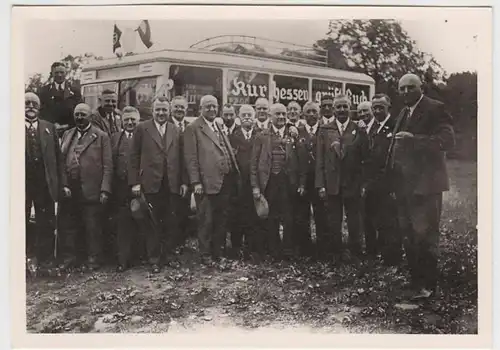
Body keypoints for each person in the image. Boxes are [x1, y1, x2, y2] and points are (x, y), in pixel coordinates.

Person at [389, 73, 455, 299]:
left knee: (425, 235)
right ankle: (416, 281)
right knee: (408, 235)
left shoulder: (435, 108)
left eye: (410, 87)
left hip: (426, 186)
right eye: (402, 88)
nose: (405, 91)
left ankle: (428, 285)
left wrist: (413, 140)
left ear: (421, 88)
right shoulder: (403, 112)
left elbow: (447, 141)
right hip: (405, 186)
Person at [128, 97, 188, 273]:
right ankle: (154, 259)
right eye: (158, 110)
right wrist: (135, 183)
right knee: (152, 223)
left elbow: (181, 158)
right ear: (152, 111)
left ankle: (168, 256)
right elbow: (133, 157)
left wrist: (184, 182)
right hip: (150, 183)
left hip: (171, 183)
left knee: (171, 222)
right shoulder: (142, 129)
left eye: (164, 110)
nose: (161, 113)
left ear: (168, 111)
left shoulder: (174, 129)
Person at [183, 95, 240, 264]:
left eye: (214, 107)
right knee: (206, 221)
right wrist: (196, 182)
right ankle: (205, 255)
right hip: (206, 183)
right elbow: (191, 158)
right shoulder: (193, 128)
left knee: (221, 220)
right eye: (208, 107)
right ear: (200, 108)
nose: (212, 110)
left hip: (224, 181)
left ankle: (218, 253)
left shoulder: (218, 125)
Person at [59, 103, 113, 271]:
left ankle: (93, 260)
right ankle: (70, 259)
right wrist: (64, 184)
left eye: (83, 114)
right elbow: (61, 162)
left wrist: (105, 189)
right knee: (70, 226)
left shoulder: (101, 136)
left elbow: (108, 165)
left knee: (92, 227)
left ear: (90, 116)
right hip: (71, 189)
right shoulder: (68, 134)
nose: (79, 118)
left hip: (91, 188)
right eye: (77, 114)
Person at [315, 94, 369, 263]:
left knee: (354, 219)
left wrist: (363, 183)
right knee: (333, 220)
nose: (341, 110)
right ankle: (335, 252)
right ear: (333, 109)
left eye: (345, 106)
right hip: (332, 183)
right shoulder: (325, 129)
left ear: (350, 107)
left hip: (352, 182)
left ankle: (356, 251)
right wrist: (320, 185)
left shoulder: (357, 128)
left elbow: (364, 157)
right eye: (338, 107)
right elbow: (320, 159)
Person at [251, 103, 306, 260]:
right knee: (271, 217)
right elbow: (254, 164)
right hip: (269, 182)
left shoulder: (293, 134)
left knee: (289, 216)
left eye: (283, 114)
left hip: (288, 182)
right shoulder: (262, 136)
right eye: (278, 114)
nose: (281, 117)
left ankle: (287, 250)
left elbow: (302, 162)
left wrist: (301, 183)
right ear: (271, 116)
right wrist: (255, 186)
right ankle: (273, 250)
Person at [362, 94, 402, 265]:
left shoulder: (394, 127)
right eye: (375, 108)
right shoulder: (373, 127)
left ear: (388, 108)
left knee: (389, 222)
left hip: (387, 183)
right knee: (371, 218)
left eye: (381, 108)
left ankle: (391, 257)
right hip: (371, 182)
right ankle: (374, 252)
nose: (377, 111)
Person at [24, 92, 62, 270]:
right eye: (27, 103)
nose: (30, 106)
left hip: (44, 183)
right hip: (21, 185)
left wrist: (60, 183)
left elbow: (58, 158)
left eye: (34, 104)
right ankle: (23, 260)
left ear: (39, 108)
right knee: (20, 222)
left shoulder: (49, 128)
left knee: (45, 222)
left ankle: (46, 261)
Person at [110, 106, 143, 272]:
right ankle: (123, 260)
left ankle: (141, 257)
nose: (130, 123)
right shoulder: (115, 138)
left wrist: (139, 183)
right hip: (120, 188)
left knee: (141, 221)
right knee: (123, 224)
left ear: (138, 121)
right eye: (126, 120)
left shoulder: (144, 136)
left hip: (140, 187)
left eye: (133, 120)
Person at [228, 104, 260, 260]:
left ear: (254, 117)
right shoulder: (232, 136)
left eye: (250, 115)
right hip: (237, 183)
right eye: (244, 115)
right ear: (239, 118)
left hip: (254, 183)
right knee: (237, 216)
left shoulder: (260, 135)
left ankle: (252, 247)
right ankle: (235, 248)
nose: (247, 118)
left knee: (253, 216)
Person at [295, 101, 326, 259]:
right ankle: (305, 249)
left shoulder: (325, 131)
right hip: (303, 180)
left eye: (315, 111)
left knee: (321, 215)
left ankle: (321, 249)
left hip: (320, 180)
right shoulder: (297, 132)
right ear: (303, 115)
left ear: (319, 114)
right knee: (302, 215)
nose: (312, 114)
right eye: (308, 112)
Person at [170, 95, 195, 247]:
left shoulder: (190, 126)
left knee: (184, 212)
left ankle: (181, 244)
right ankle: (172, 245)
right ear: (171, 109)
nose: (179, 110)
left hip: (188, 176)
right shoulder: (166, 125)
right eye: (176, 107)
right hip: (172, 177)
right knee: (172, 213)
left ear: (186, 109)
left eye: (182, 107)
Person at [38, 61, 82, 136]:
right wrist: (53, 125)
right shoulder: (43, 92)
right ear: (52, 74)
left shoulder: (75, 91)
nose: (59, 75)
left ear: (66, 73)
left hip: (71, 133)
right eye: (56, 72)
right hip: (49, 133)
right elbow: (41, 113)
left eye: (62, 72)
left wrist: (68, 125)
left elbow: (80, 111)